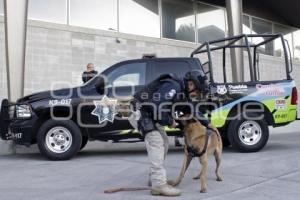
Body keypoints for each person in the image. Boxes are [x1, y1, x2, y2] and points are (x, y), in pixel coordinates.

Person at [130, 70, 218, 196]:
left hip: (151, 114)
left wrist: (208, 124)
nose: (197, 94)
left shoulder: (183, 93)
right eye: (197, 91)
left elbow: (192, 110)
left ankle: (154, 178)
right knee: (157, 142)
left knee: (164, 143)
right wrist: (170, 121)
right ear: (191, 84)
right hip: (141, 111)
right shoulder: (174, 86)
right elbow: (157, 105)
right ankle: (158, 184)